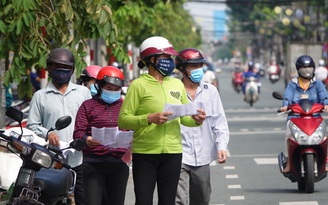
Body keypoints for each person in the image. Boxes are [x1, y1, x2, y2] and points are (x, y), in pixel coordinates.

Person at [118, 36, 206, 205]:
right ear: (153, 59)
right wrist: (148, 118)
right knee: (143, 201)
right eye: (166, 57)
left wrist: (196, 120)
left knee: (168, 201)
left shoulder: (176, 84)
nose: (171, 61)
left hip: (173, 153)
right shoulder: (138, 85)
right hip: (145, 154)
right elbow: (123, 120)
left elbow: (184, 117)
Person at [26, 48, 91, 205]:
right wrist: (47, 133)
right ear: (49, 68)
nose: (61, 71)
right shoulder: (40, 96)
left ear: (72, 70)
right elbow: (32, 125)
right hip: (51, 162)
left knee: (85, 199)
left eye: (66, 68)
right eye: (56, 67)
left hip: (79, 159)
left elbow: (91, 121)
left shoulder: (83, 93)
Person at [175, 48, 230, 205]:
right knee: (179, 200)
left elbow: (219, 122)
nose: (198, 69)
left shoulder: (211, 91)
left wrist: (221, 147)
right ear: (182, 68)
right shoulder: (172, 92)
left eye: (200, 65)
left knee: (202, 199)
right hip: (178, 154)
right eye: (193, 66)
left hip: (203, 155)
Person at [73, 66, 129, 205]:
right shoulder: (87, 106)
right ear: (100, 86)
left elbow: (134, 127)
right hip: (94, 164)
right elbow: (78, 132)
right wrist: (87, 139)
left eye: (116, 89)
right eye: (109, 88)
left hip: (119, 163)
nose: (113, 92)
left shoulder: (126, 106)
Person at [280, 55, 328, 173]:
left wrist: (326, 104)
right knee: (288, 134)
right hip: (295, 117)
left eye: (309, 68)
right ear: (298, 69)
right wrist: (285, 106)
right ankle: (288, 162)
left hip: (314, 116)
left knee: (325, 136)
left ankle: (326, 161)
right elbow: (287, 96)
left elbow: (323, 95)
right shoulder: (293, 84)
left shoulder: (317, 84)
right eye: (304, 69)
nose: (307, 71)